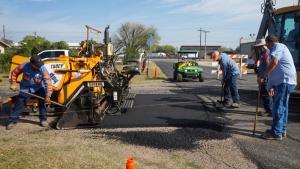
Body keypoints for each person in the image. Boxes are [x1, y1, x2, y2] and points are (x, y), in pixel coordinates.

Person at [260, 35, 297, 140]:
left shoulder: (278, 46)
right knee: (283, 107)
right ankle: (281, 130)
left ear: (269, 42)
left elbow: (274, 63)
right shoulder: (277, 49)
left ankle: (276, 133)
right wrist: (270, 85)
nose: (266, 47)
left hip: (284, 81)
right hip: (283, 81)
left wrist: (263, 76)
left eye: (266, 44)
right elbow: (275, 70)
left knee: (278, 107)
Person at [6, 55, 53, 130]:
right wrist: (13, 83)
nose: (39, 67)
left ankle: (43, 119)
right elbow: (14, 73)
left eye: (39, 65)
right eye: (37, 65)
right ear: (31, 64)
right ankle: (12, 121)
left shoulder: (43, 69)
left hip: (39, 87)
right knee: (20, 102)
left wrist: (48, 95)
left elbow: (48, 82)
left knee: (42, 102)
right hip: (26, 88)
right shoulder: (24, 66)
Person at [254, 38, 273, 116]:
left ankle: (270, 111)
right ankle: (267, 109)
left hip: (266, 78)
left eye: (259, 47)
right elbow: (261, 67)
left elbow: (269, 66)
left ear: (263, 46)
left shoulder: (267, 53)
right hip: (261, 77)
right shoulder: (262, 54)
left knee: (266, 95)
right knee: (263, 94)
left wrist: (265, 77)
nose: (258, 48)